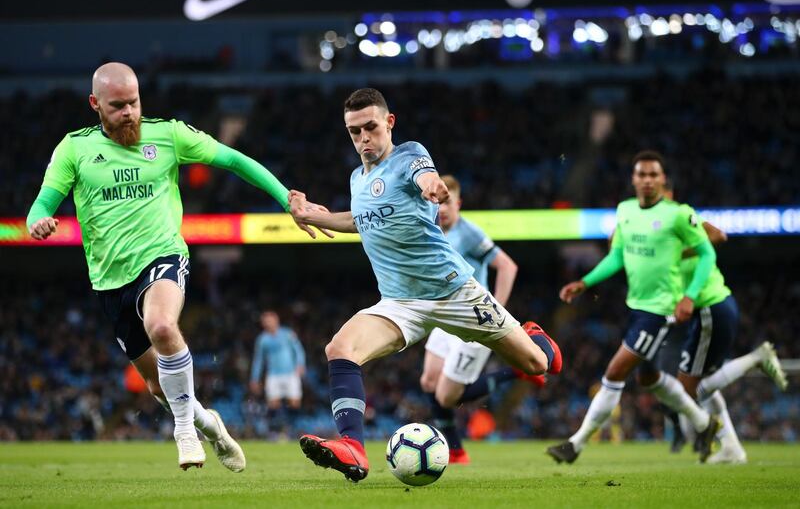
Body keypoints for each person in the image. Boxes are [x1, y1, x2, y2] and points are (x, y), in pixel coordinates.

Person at [26, 62, 327, 471]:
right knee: (157, 386)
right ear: (95, 104)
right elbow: (43, 203)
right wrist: (37, 220)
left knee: (163, 326)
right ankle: (208, 424)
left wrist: (284, 197)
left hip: (163, 254)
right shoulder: (74, 149)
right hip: (110, 280)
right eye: (117, 106)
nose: (129, 112)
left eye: (133, 102)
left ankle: (184, 431)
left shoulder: (168, 134)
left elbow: (234, 160)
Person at [287, 88, 562, 482]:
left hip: (455, 294)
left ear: (389, 123)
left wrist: (433, 185)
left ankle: (536, 338)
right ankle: (353, 448)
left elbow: (425, 175)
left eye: (371, 128)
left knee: (539, 364)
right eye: (354, 132)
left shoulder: (408, 155)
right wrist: (318, 218)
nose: (364, 138)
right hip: (400, 302)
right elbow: (360, 221)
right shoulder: (356, 178)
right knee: (340, 348)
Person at [546, 150, 721, 465]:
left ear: (663, 179)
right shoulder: (625, 211)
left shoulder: (680, 214)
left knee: (614, 372)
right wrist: (585, 282)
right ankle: (704, 424)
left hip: (661, 310)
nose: (647, 180)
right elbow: (617, 256)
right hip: (637, 306)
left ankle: (575, 444)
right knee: (648, 378)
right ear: (633, 179)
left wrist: (689, 296)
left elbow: (707, 253)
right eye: (642, 174)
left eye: (654, 174)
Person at [419, 174, 543, 465]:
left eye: (449, 201)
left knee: (447, 397)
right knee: (428, 381)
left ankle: (517, 372)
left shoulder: (469, 232)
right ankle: (455, 450)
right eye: (439, 200)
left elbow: (507, 266)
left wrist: (496, 309)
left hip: (475, 321)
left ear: (458, 202)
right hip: (446, 318)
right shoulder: (432, 232)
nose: (444, 207)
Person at [661, 181, 787, 464]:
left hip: (711, 308)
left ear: (669, 193)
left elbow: (719, 236)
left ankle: (756, 358)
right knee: (703, 387)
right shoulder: (659, 232)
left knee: (690, 390)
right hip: (711, 311)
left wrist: (679, 253)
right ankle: (731, 447)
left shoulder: (682, 218)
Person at [249, 310, 307, 435]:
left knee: (295, 403)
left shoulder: (288, 334)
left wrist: (300, 364)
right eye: (265, 321)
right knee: (273, 404)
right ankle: (278, 431)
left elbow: (298, 350)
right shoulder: (262, 339)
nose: (267, 323)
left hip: (290, 373)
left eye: (269, 320)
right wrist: (254, 378)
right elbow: (258, 360)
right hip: (273, 375)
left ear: (276, 320)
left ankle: (291, 429)